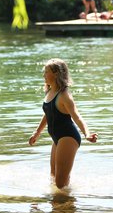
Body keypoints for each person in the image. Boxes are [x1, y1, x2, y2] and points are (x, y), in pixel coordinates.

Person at [29, 59, 98, 189]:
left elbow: (77, 117)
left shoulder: (64, 95)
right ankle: (59, 206)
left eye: (46, 72)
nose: (44, 75)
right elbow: (48, 113)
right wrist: (37, 132)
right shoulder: (50, 92)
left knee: (60, 183)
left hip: (68, 137)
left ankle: (66, 206)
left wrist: (87, 134)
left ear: (56, 74)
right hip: (57, 139)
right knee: (54, 177)